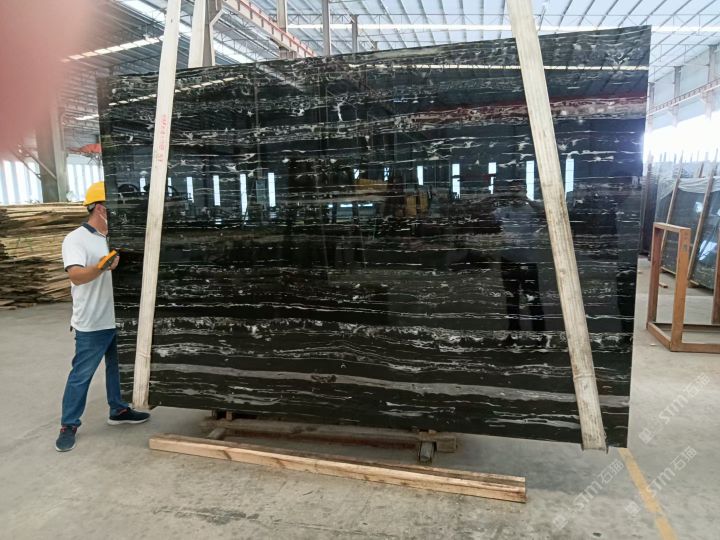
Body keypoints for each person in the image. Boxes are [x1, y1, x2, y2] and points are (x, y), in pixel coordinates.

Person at [55, 182, 149, 452]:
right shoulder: (76, 239)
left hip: (116, 318)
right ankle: (68, 425)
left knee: (117, 369)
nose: (122, 209)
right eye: (116, 205)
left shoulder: (115, 237)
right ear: (100, 208)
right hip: (92, 322)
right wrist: (100, 266)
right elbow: (76, 275)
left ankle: (118, 410)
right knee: (81, 374)